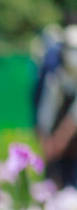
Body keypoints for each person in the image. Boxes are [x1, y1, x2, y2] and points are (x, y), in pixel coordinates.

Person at [34, 25, 77, 188]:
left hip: (71, 137)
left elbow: (75, 115)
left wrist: (61, 139)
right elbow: (46, 109)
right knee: (52, 180)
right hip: (55, 129)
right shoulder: (53, 69)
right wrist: (46, 141)